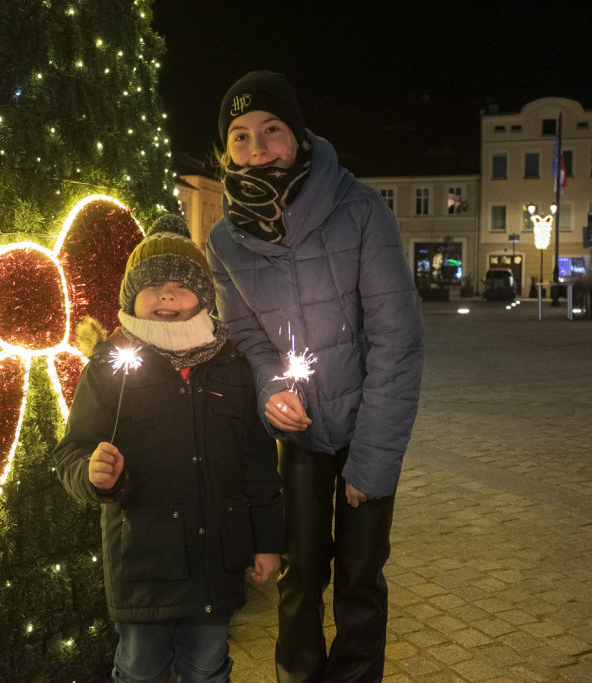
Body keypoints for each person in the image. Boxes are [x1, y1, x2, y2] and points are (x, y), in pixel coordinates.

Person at [206, 71, 425, 682]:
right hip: (300, 435)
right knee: (301, 574)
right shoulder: (224, 240)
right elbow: (248, 338)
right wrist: (272, 389)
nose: (257, 149)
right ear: (226, 151)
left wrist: (372, 459)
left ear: (298, 137)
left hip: (367, 423)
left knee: (359, 575)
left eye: (272, 131)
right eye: (241, 136)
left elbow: (397, 341)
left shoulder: (360, 209)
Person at [54, 216, 283, 683]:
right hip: (143, 566)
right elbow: (72, 451)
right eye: (153, 284)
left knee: (207, 668)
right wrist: (91, 473)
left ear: (204, 294)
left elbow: (257, 464)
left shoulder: (231, 365)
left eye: (182, 284)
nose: (166, 295)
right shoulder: (110, 368)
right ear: (130, 295)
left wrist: (268, 542)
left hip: (215, 564)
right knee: (141, 671)